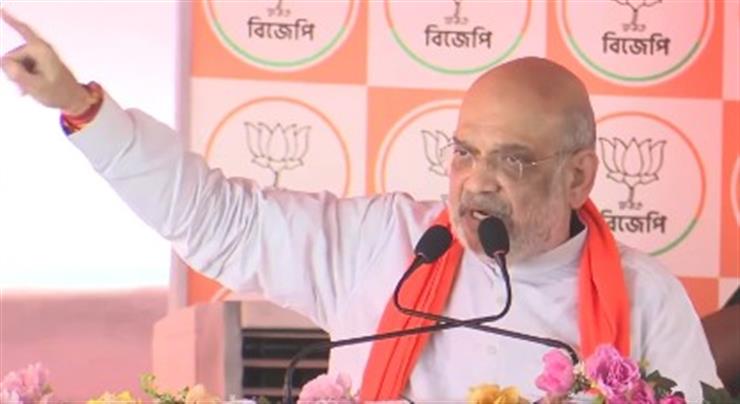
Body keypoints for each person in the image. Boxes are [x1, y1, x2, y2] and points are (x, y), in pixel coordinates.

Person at [1, 12, 721, 402]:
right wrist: (82, 108)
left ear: (578, 177)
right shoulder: (388, 244)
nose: (477, 182)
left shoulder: (645, 299)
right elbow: (217, 220)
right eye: (465, 152)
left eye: (511, 160)